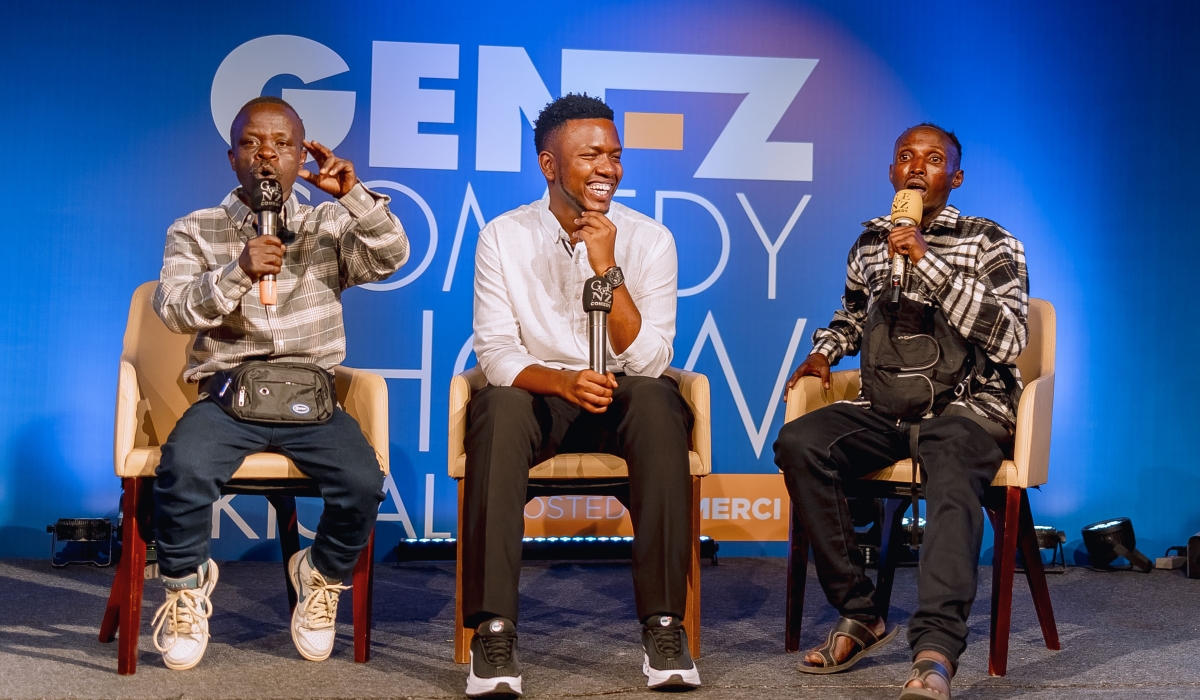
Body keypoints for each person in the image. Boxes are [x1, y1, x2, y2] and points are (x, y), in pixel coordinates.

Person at [150, 96, 409, 670]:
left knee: (364, 481)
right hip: (228, 394)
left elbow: (393, 256)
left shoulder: (327, 223)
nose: (267, 156)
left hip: (309, 396)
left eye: (283, 145)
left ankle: (318, 575)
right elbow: (173, 310)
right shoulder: (195, 229)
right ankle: (186, 589)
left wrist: (357, 198)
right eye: (252, 143)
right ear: (231, 157)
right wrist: (238, 271)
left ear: (299, 157)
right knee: (183, 469)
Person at [773, 124, 1028, 699]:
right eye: (905, 158)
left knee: (952, 459)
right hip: (886, 407)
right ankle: (861, 612)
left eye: (933, 160)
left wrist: (928, 262)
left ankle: (935, 649)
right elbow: (852, 314)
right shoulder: (869, 243)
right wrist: (824, 352)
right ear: (891, 174)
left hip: (967, 409)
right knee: (800, 443)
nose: (917, 168)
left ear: (954, 178)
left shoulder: (990, 241)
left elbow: (1012, 339)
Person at [462, 93, 699, 696]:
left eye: (614, 156)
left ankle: (665, 626)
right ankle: (492, 631)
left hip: (622, 394)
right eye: (591, 155)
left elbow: (650, 359)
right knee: (499, 405)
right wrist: (562, 381)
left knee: (657, 402)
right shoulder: (503, 237)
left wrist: (607, 266)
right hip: (541, 398)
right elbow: (496, 354)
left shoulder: (650, 240)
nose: (608, 169)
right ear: (548, 165)